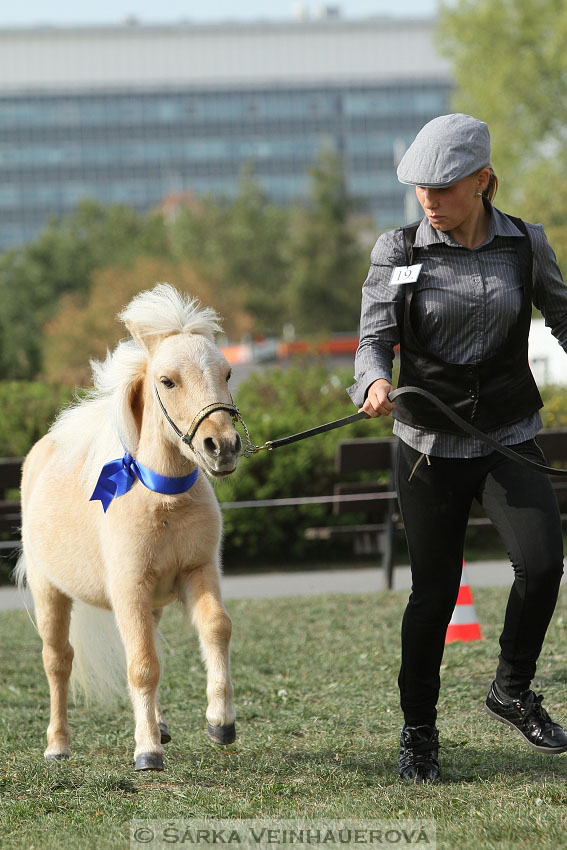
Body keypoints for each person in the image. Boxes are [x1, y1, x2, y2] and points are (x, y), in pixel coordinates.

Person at [348, 113, 567, 784]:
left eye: (441, 188)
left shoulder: (523, 246)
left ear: (480, 180)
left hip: (507, 434)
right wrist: (375, 380)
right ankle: (418, 735)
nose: (428, 201)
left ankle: (510, 689)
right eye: (419, 189)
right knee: (434, 593)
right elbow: (371, 337)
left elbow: (561, 314)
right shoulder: (397, 251)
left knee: (542, 564)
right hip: (425, 445)